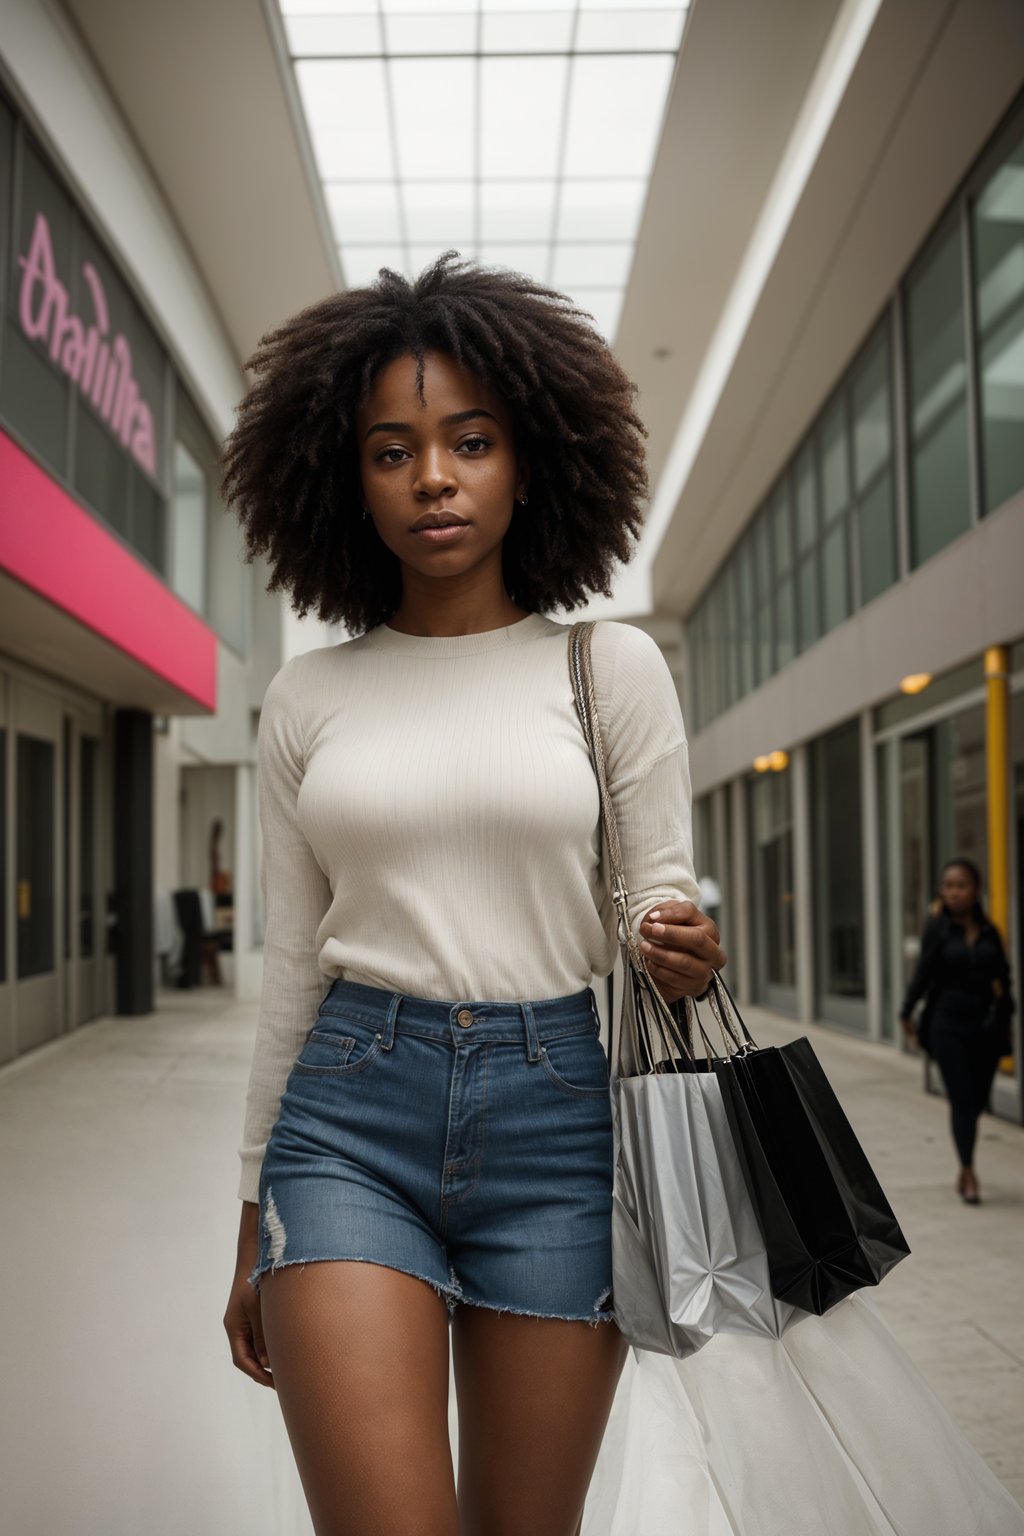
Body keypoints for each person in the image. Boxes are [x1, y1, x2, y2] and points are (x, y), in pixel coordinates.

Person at [220, 254, 725, 1536]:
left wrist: (677, 944)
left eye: (469, 441)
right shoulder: (310, 698)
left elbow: (653, 898)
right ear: (345, 478)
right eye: (391, 450)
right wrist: (247, 1219)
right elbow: (290, 969)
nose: (431, 477)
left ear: (533, 460)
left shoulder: (609, 669)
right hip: (345, 1124)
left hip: (561, 1127)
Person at [900, 858, 1015, 1205]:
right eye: (947, 886)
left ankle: (965, 1159)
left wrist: (1007, 1023)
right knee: (962, 1099)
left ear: (975, 889)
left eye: (960, 885)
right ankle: (968, 1170)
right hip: (946, 1024)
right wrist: (907, 1012)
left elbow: (1003, 981)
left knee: (978, 1100)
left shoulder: (991, 931)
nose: (952, 892)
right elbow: (923, 974)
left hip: (985, 1027)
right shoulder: (938, 929)